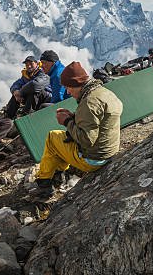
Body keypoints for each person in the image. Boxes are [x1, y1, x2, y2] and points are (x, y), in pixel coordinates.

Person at [32, 62, 123, 199]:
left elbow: (86, 140)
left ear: (76, 84)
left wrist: (67, 122)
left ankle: (44, 184)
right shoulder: (103, 92)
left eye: (69, 87)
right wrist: (74, 117)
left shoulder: (88, 102)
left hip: (94, 159)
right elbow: (97, 120)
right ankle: (59, 175)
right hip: (110, 150)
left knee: (53, 137)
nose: (68, 92)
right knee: (62, 138)